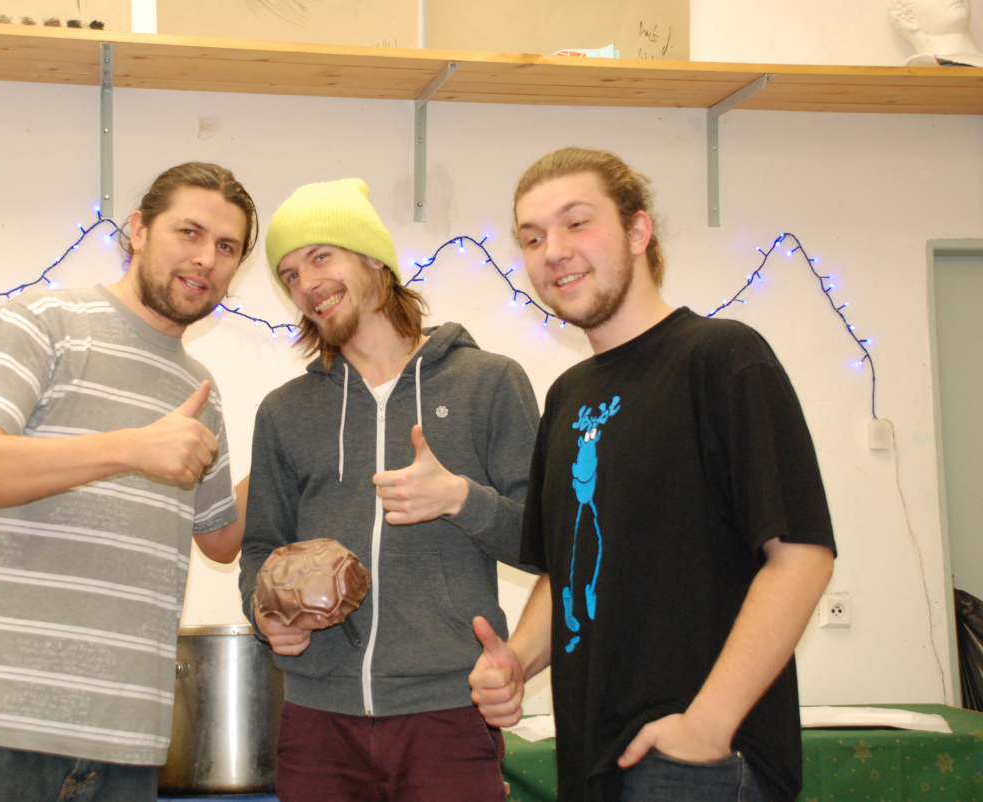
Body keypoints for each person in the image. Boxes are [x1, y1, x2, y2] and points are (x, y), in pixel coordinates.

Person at [468, 148, 837, 802]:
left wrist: (706, 727)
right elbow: (568, 570)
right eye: (533, 237)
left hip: (698, 766)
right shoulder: (567, 397)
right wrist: (517, 660)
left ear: (638, 230)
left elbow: (802, 557)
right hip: (592, 758)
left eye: (576, 223)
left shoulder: (723, 358)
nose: (553, 251)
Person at [0, 162, 257, 802]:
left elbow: (221, 540)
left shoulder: (200, 391)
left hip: (125, 746)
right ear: (139, 230)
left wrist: (298, 439)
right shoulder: (45, 321)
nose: (206, 258)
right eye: (189, 232)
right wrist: (130, 448)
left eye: (227, 246)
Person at [238, 178, 539, 802]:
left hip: (449, 713)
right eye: (290, 274)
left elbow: (547, 542)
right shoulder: (285, 411)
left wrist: (460, 499)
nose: (306, 283)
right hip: (317, 720)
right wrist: (265, 615)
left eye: (321, 256)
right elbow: (260, 549)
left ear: (375, 260)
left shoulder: (488, 383)